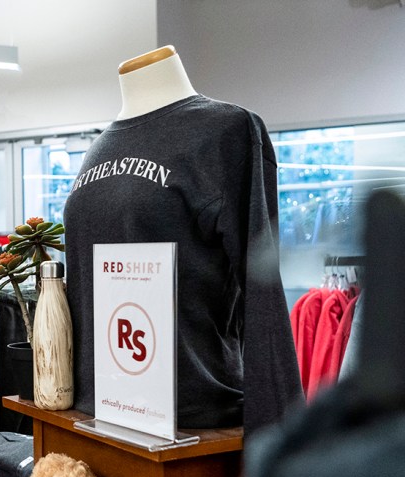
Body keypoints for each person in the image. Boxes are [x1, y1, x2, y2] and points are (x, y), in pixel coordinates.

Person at [64, 45, 302, 436]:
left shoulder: (227, 131)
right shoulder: (100, 146)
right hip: (96, 416)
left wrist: (280, 439)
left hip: (189, 427)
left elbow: (262, 292)